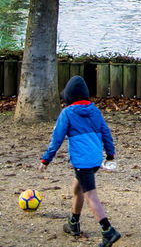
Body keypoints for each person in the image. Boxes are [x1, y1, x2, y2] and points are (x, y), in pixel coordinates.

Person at [40, 75, 121, 246]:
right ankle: (73, 223)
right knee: (77, 188)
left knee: (90, 194)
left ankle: (108, 231)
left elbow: (57, 139)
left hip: (82, 161)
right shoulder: (94, 110)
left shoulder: (67, 113)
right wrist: (110, 154)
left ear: (67, 97)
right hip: (95, 159)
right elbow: (106, 133)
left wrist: (46, 159)